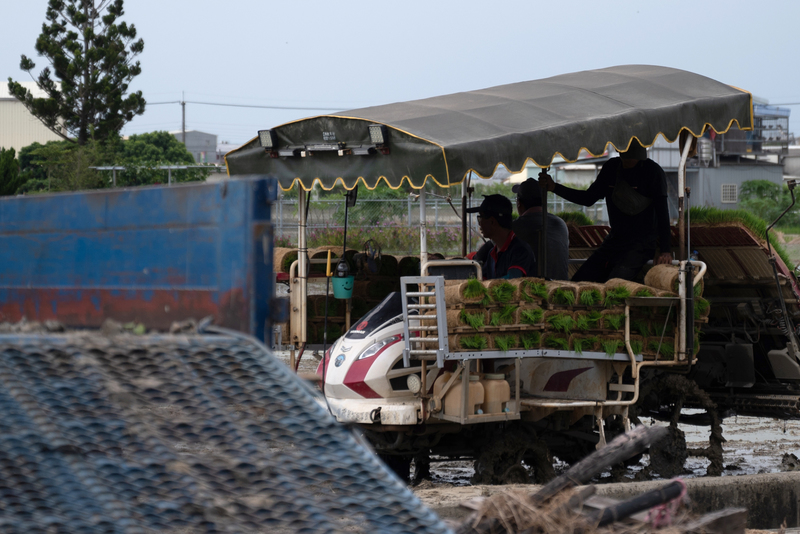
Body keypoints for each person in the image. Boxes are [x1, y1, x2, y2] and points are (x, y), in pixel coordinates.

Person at [539, 139, 672, 283]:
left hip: (641, 244)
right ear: (619, 151)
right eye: (626, 158)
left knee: (614, 284)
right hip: (614, 241)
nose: (628, 162)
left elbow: (663, 213)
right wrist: (554, 188)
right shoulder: (611, 168)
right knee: (579, 281)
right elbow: (588, 198)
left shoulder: (653, 172)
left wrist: (665, 250)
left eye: (632, 160)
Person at [511, 178, 570, 280]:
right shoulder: (561, 224)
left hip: (531, 290)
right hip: (563, 289)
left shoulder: (514, 227)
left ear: (519, 203)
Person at [466, 194, 535, 279]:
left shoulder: (520, 250)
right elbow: (481, 278)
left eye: (480, 218)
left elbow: (512, 281)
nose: (479, 223)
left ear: (492, 222)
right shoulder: (492, 253)